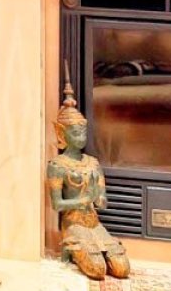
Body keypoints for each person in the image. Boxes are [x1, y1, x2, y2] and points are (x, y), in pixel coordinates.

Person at [48, 81, 131, 280]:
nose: (81, 136)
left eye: (84, 131)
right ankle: (76, 251)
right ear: (61, 132)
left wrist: (99, 199)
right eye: (76, 132)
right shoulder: (58, 165)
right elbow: (57, 204)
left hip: (94, 224)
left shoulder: (93, 163)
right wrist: (85, 199)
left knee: (122, 269)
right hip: (74, 225)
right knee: (97, 269)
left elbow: (102, 200)